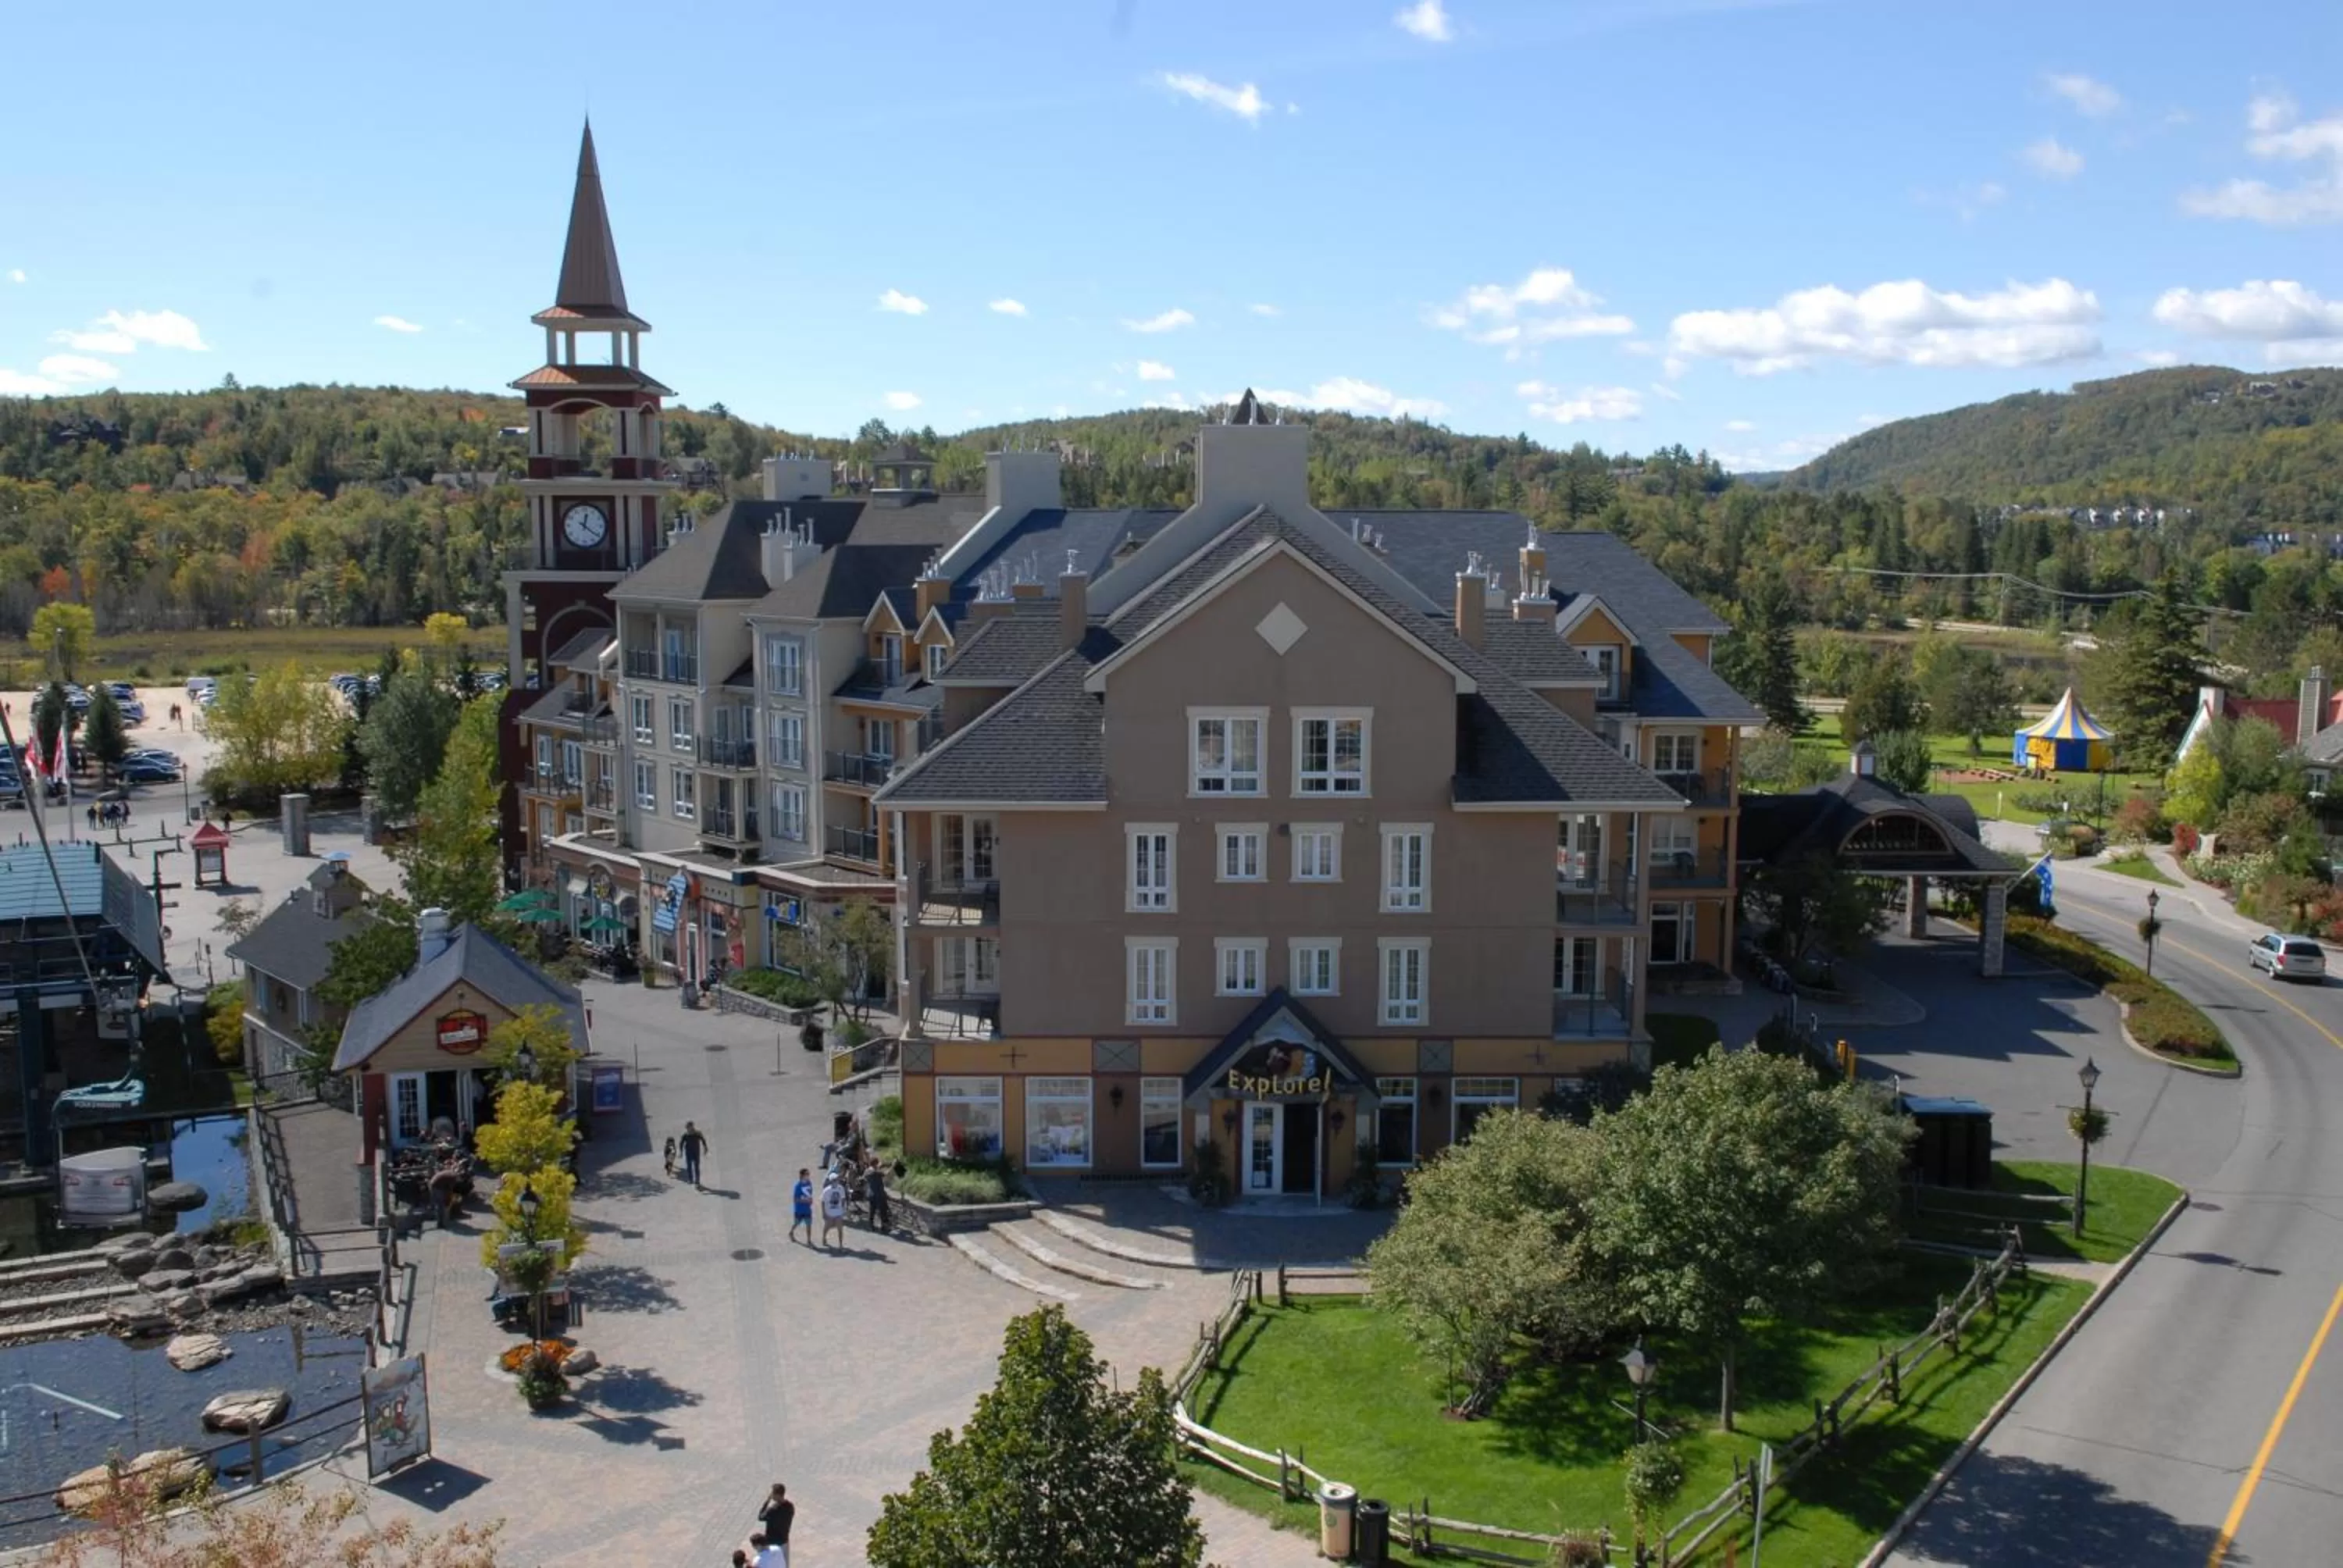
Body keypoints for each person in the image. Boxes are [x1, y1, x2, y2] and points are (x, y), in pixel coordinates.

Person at [757, 1484, 794, 1565]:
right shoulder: (790, 1506)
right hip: (784, 1541)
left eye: (772, 1493)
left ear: (777, 1495)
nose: (771, 1495)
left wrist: (767, 1501)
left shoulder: (773, 1510)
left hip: (772, 1543)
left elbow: (760, 1517)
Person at [819, 1167, 848, 1249]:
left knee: (840, 1229)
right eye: (834, 1180)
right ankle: (824, 1237)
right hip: (829, 1212)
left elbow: (843, 1199)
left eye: (837, 1179)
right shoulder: (826, 1190)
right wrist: (824, 1213)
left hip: (838, 1212)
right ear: (831, 1181)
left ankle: (841, 1245)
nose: (836, 1181)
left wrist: (843, 1209)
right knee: (827, 1227)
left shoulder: (841, 1188)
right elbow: (823, 1201)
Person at [861, 1155, 890, 1234]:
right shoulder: (876, 1172)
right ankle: (884, 1228)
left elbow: (864, 1178)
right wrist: (893, 1166)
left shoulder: (867, 1171)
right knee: (882, 1211)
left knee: (872, 1210)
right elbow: (886, 1174)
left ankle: (871, 1225)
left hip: (870, 1193)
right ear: (875, 1164)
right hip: (879, 1194)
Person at [677, 1121, 708, 1188]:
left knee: (696, 1167)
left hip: (696, 1153)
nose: (688, 1129)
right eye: (687, 1128)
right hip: (688, 1153)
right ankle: (691, 1179)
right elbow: (681, 1144)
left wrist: (705, 1148)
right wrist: (681, 1152)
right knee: (689, 1167)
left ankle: (697, 1181)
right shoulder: (685, 1135)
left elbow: (703, 1140)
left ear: (692, 1127)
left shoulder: (697, 1134)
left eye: (689, 1127)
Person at [788, 1169, 813, 1245]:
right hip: (799, 1209)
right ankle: (791, 1232)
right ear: (802, 1176)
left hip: (807, 1209)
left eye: (808, 1174)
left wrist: (810, 1200)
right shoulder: (798, 1186)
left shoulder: (809, 1183)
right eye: (806, 1174)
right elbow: (796, 1199)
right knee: (797, 1223)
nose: (808, 1176)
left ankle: (809, 1240)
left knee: (809, 1224)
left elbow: (810, 1193)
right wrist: (805, 1200)